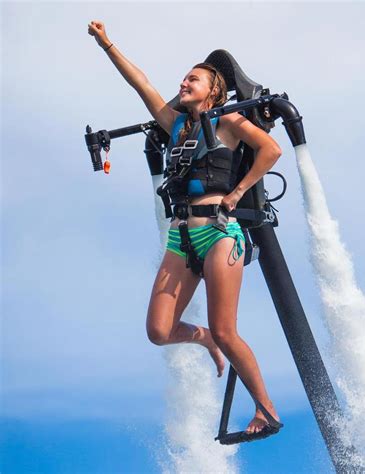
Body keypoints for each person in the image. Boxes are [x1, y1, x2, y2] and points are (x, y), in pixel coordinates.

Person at [88, 20, 283, 435]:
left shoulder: (228, 121)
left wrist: (237, 193)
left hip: (219, 233)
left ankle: (266, 410)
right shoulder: (175, 124)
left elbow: (271, 149)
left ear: (213, 89)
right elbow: (141, 84)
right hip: (182, 236)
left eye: (192, 78)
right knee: (159, 331)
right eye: (183, 77)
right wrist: (107, 44)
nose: (183, 81)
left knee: (228, 330)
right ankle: (204, 339)